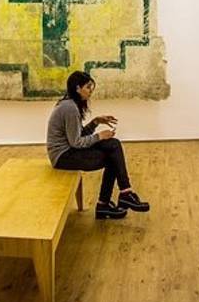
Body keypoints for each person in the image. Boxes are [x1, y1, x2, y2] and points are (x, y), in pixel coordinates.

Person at [46, 70, 150, 220]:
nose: (91, 91)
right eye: (88, 87)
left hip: (68, 151)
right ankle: (109, 202)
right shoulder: (69, 108)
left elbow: (79, 135)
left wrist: (95, 122)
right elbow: (76, 142)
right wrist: (99, 136)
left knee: (113, 145)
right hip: (63, 157)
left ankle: (122, 194)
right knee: (112, 157)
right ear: (77, 88)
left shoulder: (70, 104)